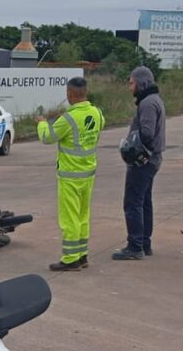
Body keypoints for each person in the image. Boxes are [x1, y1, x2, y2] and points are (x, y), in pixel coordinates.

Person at [36, 77, 105, 271]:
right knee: (83, 216)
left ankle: (71, 259)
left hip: (70, 176)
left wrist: (42, 123)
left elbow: (47, 137)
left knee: (69, 218)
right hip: (88, 174)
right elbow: (97, 128)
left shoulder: (68, 119)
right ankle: (82, 255)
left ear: (70, 94)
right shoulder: (97, 113)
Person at [113, 66, 166, 261]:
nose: (130, 87)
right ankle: (144, 243)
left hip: (144, 161)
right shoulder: (153, 100)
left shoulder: (148, 103)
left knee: (133, 201)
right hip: (152, 160)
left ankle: (135, 246)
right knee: (144, 201)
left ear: (141, 83)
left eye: (131, 83)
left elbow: (147, 132)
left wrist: (133, 148)